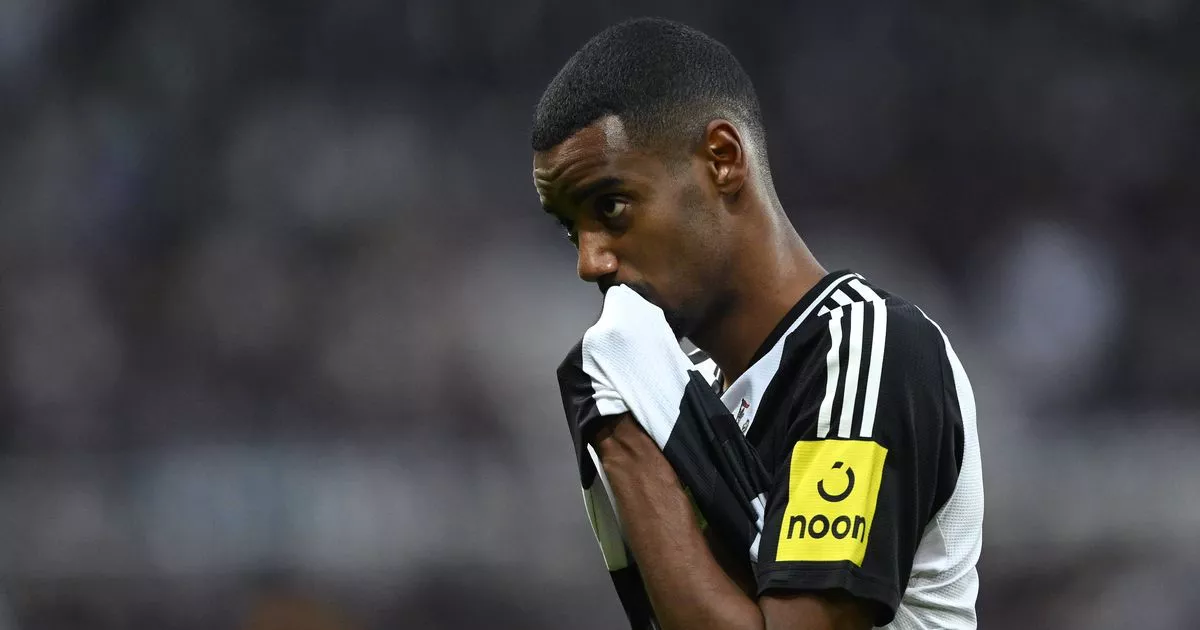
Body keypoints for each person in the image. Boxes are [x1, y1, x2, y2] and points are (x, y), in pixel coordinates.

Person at [532, 17, 983, 630]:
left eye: (611, 206)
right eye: (571, 230)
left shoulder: (868, 351)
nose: (590, 263)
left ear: (722, 159)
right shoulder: (676, 398)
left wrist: (623, 439)